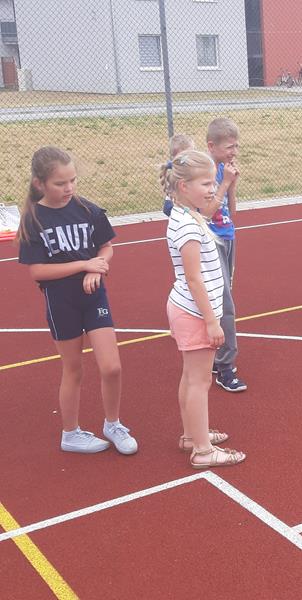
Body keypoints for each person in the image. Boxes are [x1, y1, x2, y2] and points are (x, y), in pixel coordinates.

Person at [17, 147, 138, 455]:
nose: (69, 187)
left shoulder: (87, 210)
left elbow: (106, 248)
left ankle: (113, 424)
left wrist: (97, 267)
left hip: (93, 296)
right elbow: (37, 271)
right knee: (73, 369)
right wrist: (84, 264)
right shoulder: (33, 219)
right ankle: (70, 433)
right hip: (61, 302)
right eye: (60, 183)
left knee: (111, 366)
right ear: (40, 183)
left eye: (72, 180)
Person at [161, 150, 246, 468]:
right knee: (200, 381)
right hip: (195, 312)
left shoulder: (187, 215)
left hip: (188, 308)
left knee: (191, 376)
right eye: (206, 184)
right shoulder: (187, 225)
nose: (212, 189)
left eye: (213, 182)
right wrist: (212, 321)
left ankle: (191, 435)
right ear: (184, 186)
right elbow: (194, 278)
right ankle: (202, 450)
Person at [206, 118, 247, 392]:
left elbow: (232, 212)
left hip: (227, 235)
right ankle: (225, 366)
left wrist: (232, 185)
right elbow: (206, 212)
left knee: (223, 297)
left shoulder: (224, 170)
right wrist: (224, 183)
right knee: (224, 302)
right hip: (211, 240)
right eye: (230, 147)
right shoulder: (205, 172)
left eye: (236, 146)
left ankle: (215, 356)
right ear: (212, 146)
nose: (234, 152)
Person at [162, 134, 195, 217]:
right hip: (183, 217)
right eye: (184, 158)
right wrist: (187, 212)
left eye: (192, 154)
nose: (190, 159)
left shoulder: (194, 172)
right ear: (174, 158)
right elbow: (167, 208)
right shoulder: (174, 176)